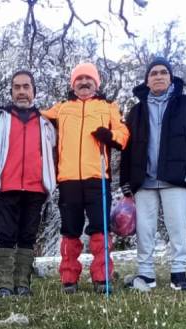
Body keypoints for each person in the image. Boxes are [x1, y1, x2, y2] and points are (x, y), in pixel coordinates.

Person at [41, 63, 129, 294]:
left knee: (100, 228)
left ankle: (102, 278)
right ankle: (69, 278)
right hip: (68, 179)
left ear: (96, 83)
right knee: (70, 229)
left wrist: (109, 135)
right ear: (73, 84)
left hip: (97, 177)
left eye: (88, 79)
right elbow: (35, 118)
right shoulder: (61, 108)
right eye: (79, 79)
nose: (83, 82)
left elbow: (123, 134)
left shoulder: (108, 106)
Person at [120, 56, 186, 292]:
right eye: (153, 73)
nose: (158, 76)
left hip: (176, 178)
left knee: (177, 227)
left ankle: (179, 273)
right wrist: (125, 179)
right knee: (145, 230)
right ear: (147, 80)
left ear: (171, 78)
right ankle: (146, 275)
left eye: (163, 72)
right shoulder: (136, 111)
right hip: (144, 180)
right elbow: (127, 146)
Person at [0, 70, 57, 297]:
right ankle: (3, 282)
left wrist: (53, 179)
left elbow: (54, 154)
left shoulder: (45, 123)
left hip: (35, 188)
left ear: (33, 91)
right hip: (7, 186)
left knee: (27, 236)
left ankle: (23, 282)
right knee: (6, 235)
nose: (21, 91)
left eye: (26, 87)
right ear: (11, 91)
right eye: (17, 87)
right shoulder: (0, 118)